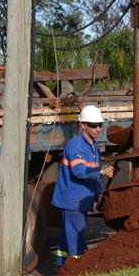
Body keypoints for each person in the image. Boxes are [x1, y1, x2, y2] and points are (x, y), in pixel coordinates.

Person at [51, 105, 115, 266]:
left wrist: (99, 194)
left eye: (99, 124)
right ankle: (76, 268)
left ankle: (61, 266)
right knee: (76, 236)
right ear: (83, 125)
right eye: (93, 125)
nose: (98, 128)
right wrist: (102, 172)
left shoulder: (93, 146)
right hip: (72, 200)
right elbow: (79, 172)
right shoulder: (76, 146)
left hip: (81, 199)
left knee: (68, 236)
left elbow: (92, 172)